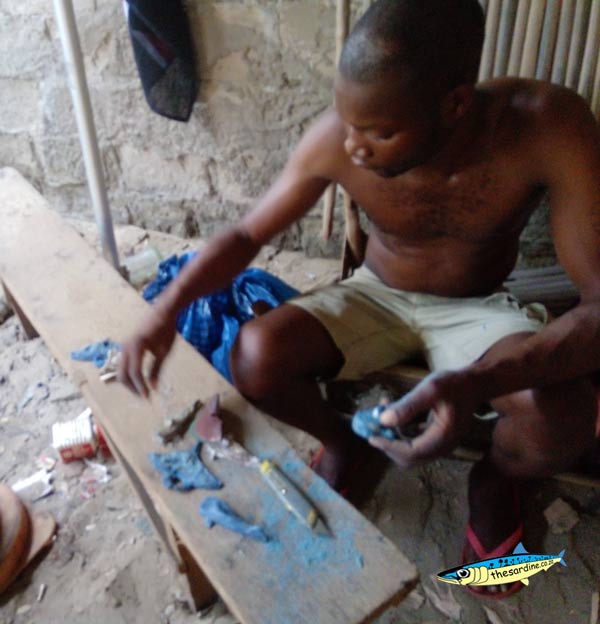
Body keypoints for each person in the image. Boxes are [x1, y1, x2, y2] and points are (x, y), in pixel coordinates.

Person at [118, 0, 600, 597]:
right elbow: (246, 235)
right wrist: (164, 313)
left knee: (565, 414)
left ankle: (498, 479)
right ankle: (345, 442)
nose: (356, 148)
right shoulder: (340, 140)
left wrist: (474, 382)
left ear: (454, 104)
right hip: (375, 294)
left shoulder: (547, 127)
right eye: (348, 123)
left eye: (380, 131)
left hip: (477, 307)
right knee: (255, 355)